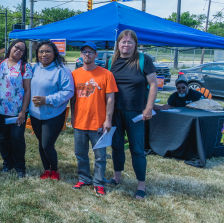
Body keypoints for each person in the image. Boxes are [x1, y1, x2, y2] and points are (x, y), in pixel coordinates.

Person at [106, 29, 158, 200]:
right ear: (118, 44)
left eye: (130, 42)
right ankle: (117, 177)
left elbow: (153, 84)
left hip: (136, 113)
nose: (126, 45)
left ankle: (141, 186)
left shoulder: (143, 60)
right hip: (115, 112)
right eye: (123, 41)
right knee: (117, 146)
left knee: (137, 149)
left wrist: (149, 107)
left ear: (135, 44)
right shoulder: (111, 61)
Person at [70, 42, 118, 196]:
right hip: (79, 122)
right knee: (80, 153)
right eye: (84, 52)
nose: (87, 55)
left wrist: (108, 120)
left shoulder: (106, 74)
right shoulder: (75, 74)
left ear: (96, 55)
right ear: (80, 55)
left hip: (98, 123)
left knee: (100, 156)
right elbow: (72, 99)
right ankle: (84, 178)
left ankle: (98, 182)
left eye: (91, 52)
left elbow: (110, 99)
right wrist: (72, 117)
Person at [29, 40, 74, 181]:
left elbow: (68, 91)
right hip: (35, 113)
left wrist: (47, 99)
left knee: (47, 144)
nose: (44, 54)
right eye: (41, 51)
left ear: (55, 53)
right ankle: (46, 170)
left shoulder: (62, 70)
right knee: (41, 143)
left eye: (48, 51)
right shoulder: (35, 68)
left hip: (53, 114)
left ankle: (54, 171)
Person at [0, 39, 32, 178]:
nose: (19, 51)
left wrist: (23, 111)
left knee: (17, 138)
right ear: (10, 48)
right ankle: (7, 164)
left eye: (22, 50)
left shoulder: (25, 67)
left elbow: (27, 91)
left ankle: (20, 166)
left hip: (17, 112)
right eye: (17, 47)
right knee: (3, 138)